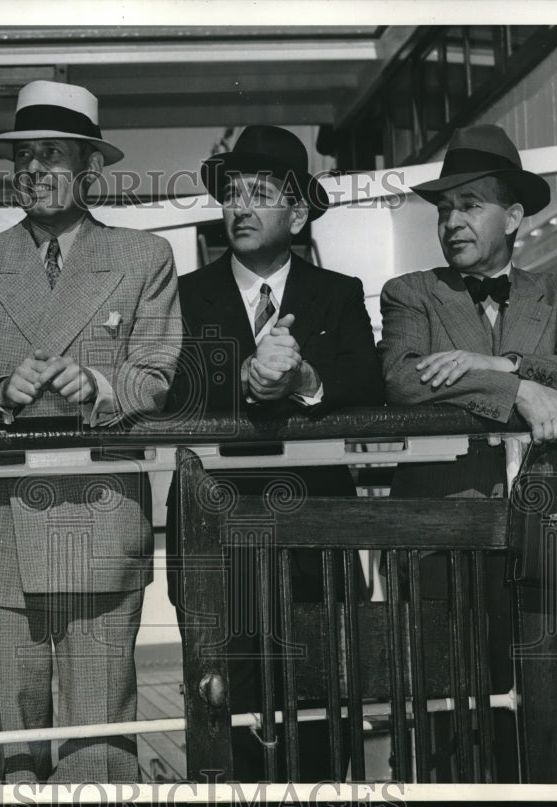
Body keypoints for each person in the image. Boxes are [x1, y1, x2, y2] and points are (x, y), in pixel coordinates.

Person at [0, 80, 180, 783]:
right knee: (14, 757)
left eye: (54, 154)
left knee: (99, 751)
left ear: (90, 167)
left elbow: (156, 374)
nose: (35, 169)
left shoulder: (143, 256)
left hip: (100, 528)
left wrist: (99, 387)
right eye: (24, 155)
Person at [377, 124, 557, 781]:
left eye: (470, 204)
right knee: (437, 711)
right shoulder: (412, 292)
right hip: (436, 533)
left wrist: (498, 359)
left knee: (533, 705)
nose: (451, 221)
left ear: (513, 216)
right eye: (444, 208)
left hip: (539, 529)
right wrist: (517, 388)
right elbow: (404, 378)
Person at [165, 125, 385, 780]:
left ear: (298, 210)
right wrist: (246, 380)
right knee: (223, 700)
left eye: (260, 192)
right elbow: (169, 389)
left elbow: (368, 386)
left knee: (323, 703)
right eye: (232, 192)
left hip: (319, 536)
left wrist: (304, 380)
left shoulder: (339, 292)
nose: (240, 206)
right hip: (215, 534)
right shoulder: (181, 295)